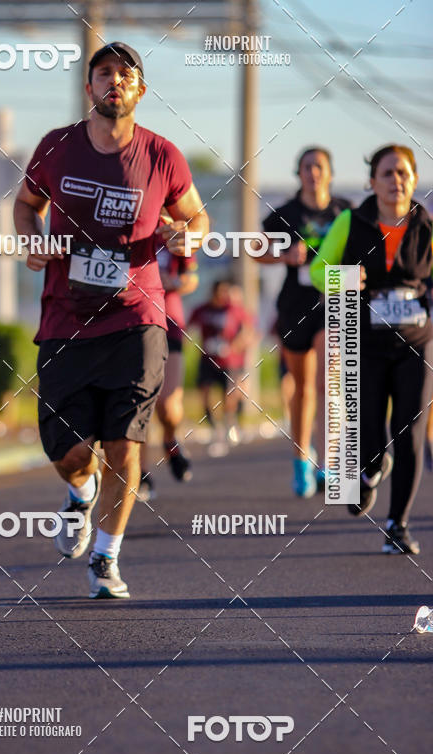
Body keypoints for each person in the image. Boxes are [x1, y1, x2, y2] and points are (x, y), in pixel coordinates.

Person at [13, 42, 209, 598]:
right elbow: (25, 204)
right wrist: (30, 240)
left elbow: (197, 216)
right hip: (64, 318)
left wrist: (184, 235)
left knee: (126, 443)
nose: (114, 82)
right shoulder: (56, 147)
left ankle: (106, 557)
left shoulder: (162, 155)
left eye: (126, 75)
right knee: (67, 450)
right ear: (89, 87)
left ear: (140, 91)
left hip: (137, 316)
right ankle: (80, 494)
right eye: (104, 74)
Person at [311, 144, 433, 554]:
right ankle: (370, 470)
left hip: (416, 343)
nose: (396, 181)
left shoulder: (426, 226)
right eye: (387, 173)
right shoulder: (351, 220)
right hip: (363, 342)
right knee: (368, 432)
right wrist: (345, 277)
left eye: (403, 173)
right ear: (372, 181)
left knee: (410, 431)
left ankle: (398, 524)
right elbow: (316, 269)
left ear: (413, 179)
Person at [256, 148, 351, 497]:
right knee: (303, 388)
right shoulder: (286, 213)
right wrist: (283, 254)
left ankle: (329, 463)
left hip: (335, 301)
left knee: (329, 381)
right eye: (307, 166)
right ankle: (301, 461)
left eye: (319, 166)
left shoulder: (345, 211)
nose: (313, 172)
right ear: (299, 173)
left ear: (330, 172)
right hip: (296, 305)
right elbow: (257, 250)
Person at [138, 219, 199, 501]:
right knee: (139, 404)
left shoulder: (174, 231)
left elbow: (191, 276)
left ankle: (171, 440)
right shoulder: (128, 225)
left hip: (169, 321)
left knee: (168, 403)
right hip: (133, 321)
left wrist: (172, 282)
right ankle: (140, 472)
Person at [188, 281, 254, 450]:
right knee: (204, 392)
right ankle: (213, 424)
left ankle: (229, 423)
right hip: (207, 359)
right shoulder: (203, 309)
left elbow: (248, 330)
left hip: (229, 361)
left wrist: (233, 347)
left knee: (229, 395)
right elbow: (188, 327)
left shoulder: (234, 309)